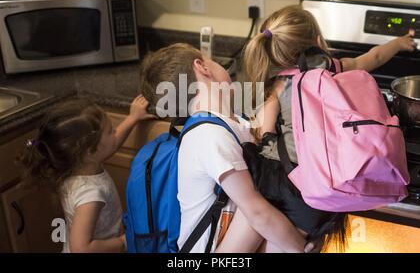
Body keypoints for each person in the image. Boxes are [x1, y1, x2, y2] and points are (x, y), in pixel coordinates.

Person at [242, 5, 417, 250]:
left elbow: (263, 133)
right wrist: (400, 43)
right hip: (321, 192)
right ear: (318, 41)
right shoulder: (335, 67)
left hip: (281, 184)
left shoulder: (278, 86)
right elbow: (374, 58)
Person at [139, 43, 317, 253]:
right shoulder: (207, 136)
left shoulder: (235, 123)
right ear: (202, 67)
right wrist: (300, 248)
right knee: (266, 198)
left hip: (237, 240)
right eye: (212, 61)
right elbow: (257, 213)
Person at [18, 96, 155, 253]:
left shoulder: (73, 168)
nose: (115, 132)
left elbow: (112, 144)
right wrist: (122, 242)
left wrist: (133, 118)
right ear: (90, 151)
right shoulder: (90, 194)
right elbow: (81, 248)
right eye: (111, 131)